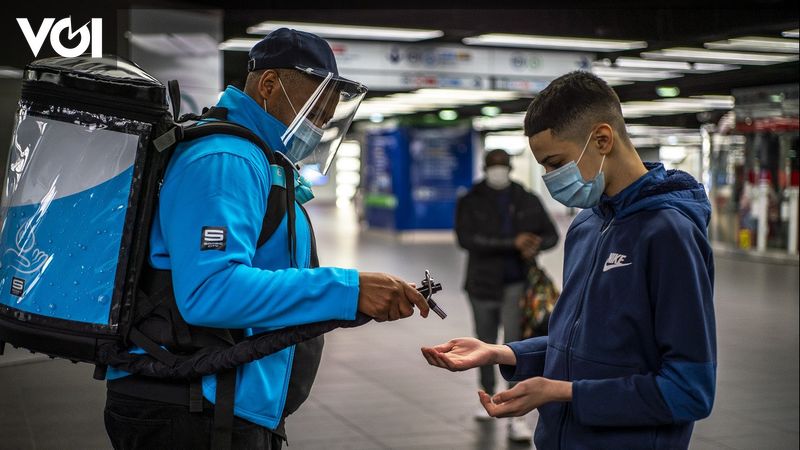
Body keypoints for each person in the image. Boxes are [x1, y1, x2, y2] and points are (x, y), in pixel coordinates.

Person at [104, 28, 430, 450]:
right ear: (269, 85)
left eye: (324, 120)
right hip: (190, 406)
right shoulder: (227, 159)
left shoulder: (256, 157)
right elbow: (211, 291)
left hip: (215, 399)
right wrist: (349, 289)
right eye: (313, 114)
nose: (316, 128)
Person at [423, 71, 716, 449]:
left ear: (602, 139)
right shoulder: (586, 225)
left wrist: (563, 392)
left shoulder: (668, 233)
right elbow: (580, 346)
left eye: (555, 162)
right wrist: (503, 352)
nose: (548, 178)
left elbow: (689, 390)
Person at [454, 149, 558, 441]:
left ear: (509, 168)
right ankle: (487, 394)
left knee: (515, 347)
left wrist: (534, 245)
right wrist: (512, 242)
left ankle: (516, 411)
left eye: (502, 166)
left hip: (517, 284)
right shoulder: (470, 200)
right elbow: (466, 239)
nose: (498, 170)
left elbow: (551, 234)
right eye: (493, 166)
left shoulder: (526, 198)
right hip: (482, 285)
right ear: (485, 168)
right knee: (484, 344)